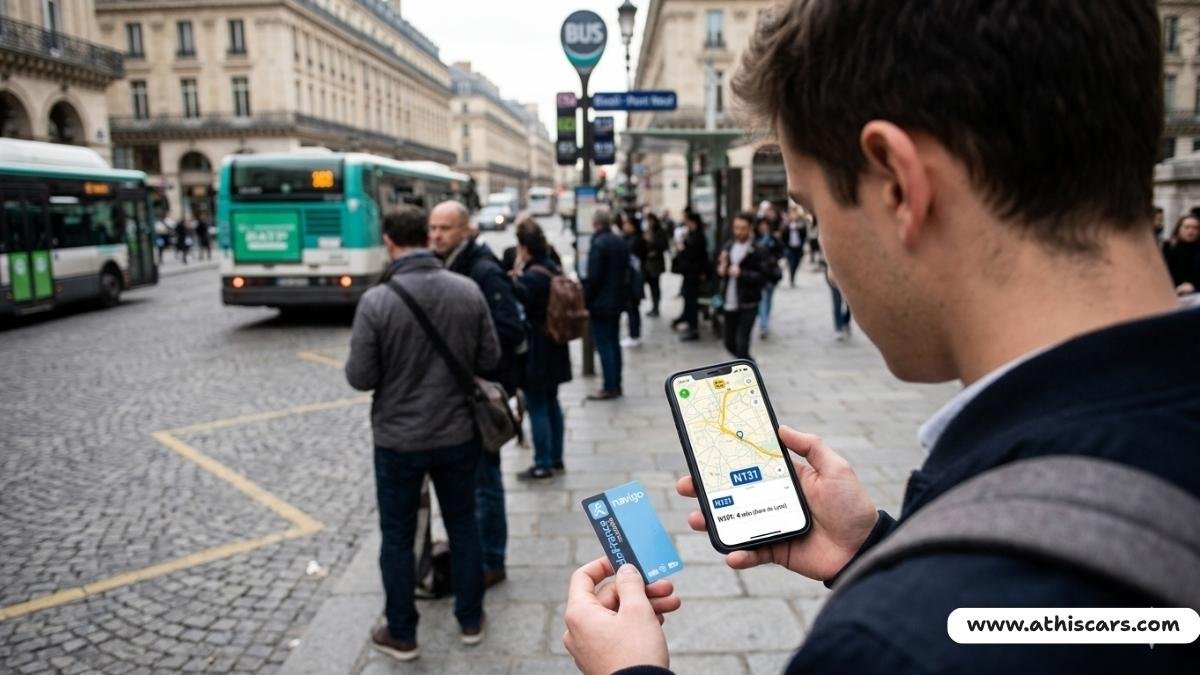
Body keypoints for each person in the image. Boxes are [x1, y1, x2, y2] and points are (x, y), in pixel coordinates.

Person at [562, 2, 1198, 673]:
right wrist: (873, 550)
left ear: (897, 183)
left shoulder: (893, 641)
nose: (827, 258)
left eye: (812, 206)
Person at [345, 205, 498, 662]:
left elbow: (360, 377)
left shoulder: (377, 301)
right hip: (456, 434)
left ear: (390, 242)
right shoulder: (466, 289)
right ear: (427, 238)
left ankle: (402, 632)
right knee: (464, 524)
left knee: (396, 535)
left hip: (398, 441)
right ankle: (471, 620)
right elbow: (489, 358)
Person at [429, 200, 524, 589]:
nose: (436, 235)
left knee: (486, 483)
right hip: (458, 397)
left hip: (477, 396)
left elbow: (511, 332)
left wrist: (472, 362)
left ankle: (492, 560)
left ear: (467, 230)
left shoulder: (483, 270)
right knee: (470, 485)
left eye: (445, 228)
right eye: (432, 228)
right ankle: (477, 552)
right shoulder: (449, 266)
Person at [511, 219, 571, 480]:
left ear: (524, 248)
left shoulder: (530, 279)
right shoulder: (553, 268)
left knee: (536, 405)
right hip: (556, 346)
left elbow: (519, 311)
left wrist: (516, 274)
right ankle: (556, 458)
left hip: (537, 349)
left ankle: (542, 463)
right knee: (552, 402)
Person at [583, 208, 630, 400]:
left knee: (604, 345)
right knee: (614, 343)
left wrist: (587, 299)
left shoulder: (598, 243)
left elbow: (594, 277)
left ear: (596, 223)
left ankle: (609, 386)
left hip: (601, 302)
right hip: (617, 300)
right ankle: (616, 384)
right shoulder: (619, 241)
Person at [717, 212, 777, 359]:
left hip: (748, 302)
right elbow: (721, 269)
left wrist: (742, 274)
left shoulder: (758, 249)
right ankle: (749, 367)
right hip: (729, 301)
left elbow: (765, 276)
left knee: (742, 343)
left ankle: (746, 372)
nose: (739, 231)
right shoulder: (729, 246)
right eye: (736, 227)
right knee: (728, 342)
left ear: (750, 228)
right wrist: (722, 270)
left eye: (743, 228)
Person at [670, 212, 708, 341]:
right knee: (688, 298)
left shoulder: (698, 237)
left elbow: (693, 255)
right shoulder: (692, 235)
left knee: (692, 301)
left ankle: (693, 328)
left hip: (694, 273)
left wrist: (682, 248)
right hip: (689, 273)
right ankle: (688, 322)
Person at [754, 216, 785, 339]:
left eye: (765, 224)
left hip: (771, 275)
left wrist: (773, 260)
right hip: (760, 275)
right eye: (761, 224)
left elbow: (780, 252)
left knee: (769, 299)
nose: (763, 227)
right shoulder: (755, 239)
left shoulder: (773, 239)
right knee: (762, 299)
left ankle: (765, 321)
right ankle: (763, 325)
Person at [621, 214, 648, 348]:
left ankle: (634, 335)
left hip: (633, 280)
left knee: (633, 307)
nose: (624, 226)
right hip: (633, 279)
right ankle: (634, 334)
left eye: (626, 224)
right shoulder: (630, 239)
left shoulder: (635, 241)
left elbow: (634, 262)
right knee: (632, 307)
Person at [1162, 214, 1200, 296]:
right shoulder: (1169, 247)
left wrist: (1194, 287)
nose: (1191, 231)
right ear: (1179, 229)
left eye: (1195, 228)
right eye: (1187, 227)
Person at [642, 212, 669, 317]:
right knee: (651, 287)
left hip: (656, 264)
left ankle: (656, 307)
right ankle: (654, 306)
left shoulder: (659, 232)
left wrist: (651, 241)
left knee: (655, 286)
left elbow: (663, 246)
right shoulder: (648, 231)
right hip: (648, 264)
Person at [783, 207, 807, 286]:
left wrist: (798, 228)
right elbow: (783, 235)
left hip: (798, 247)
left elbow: (804, 234)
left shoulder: (801, 223)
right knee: (791, 262)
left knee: (796, 263)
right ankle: (791, 278)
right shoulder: (786, 223)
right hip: (789, 247)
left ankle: (793, 275)